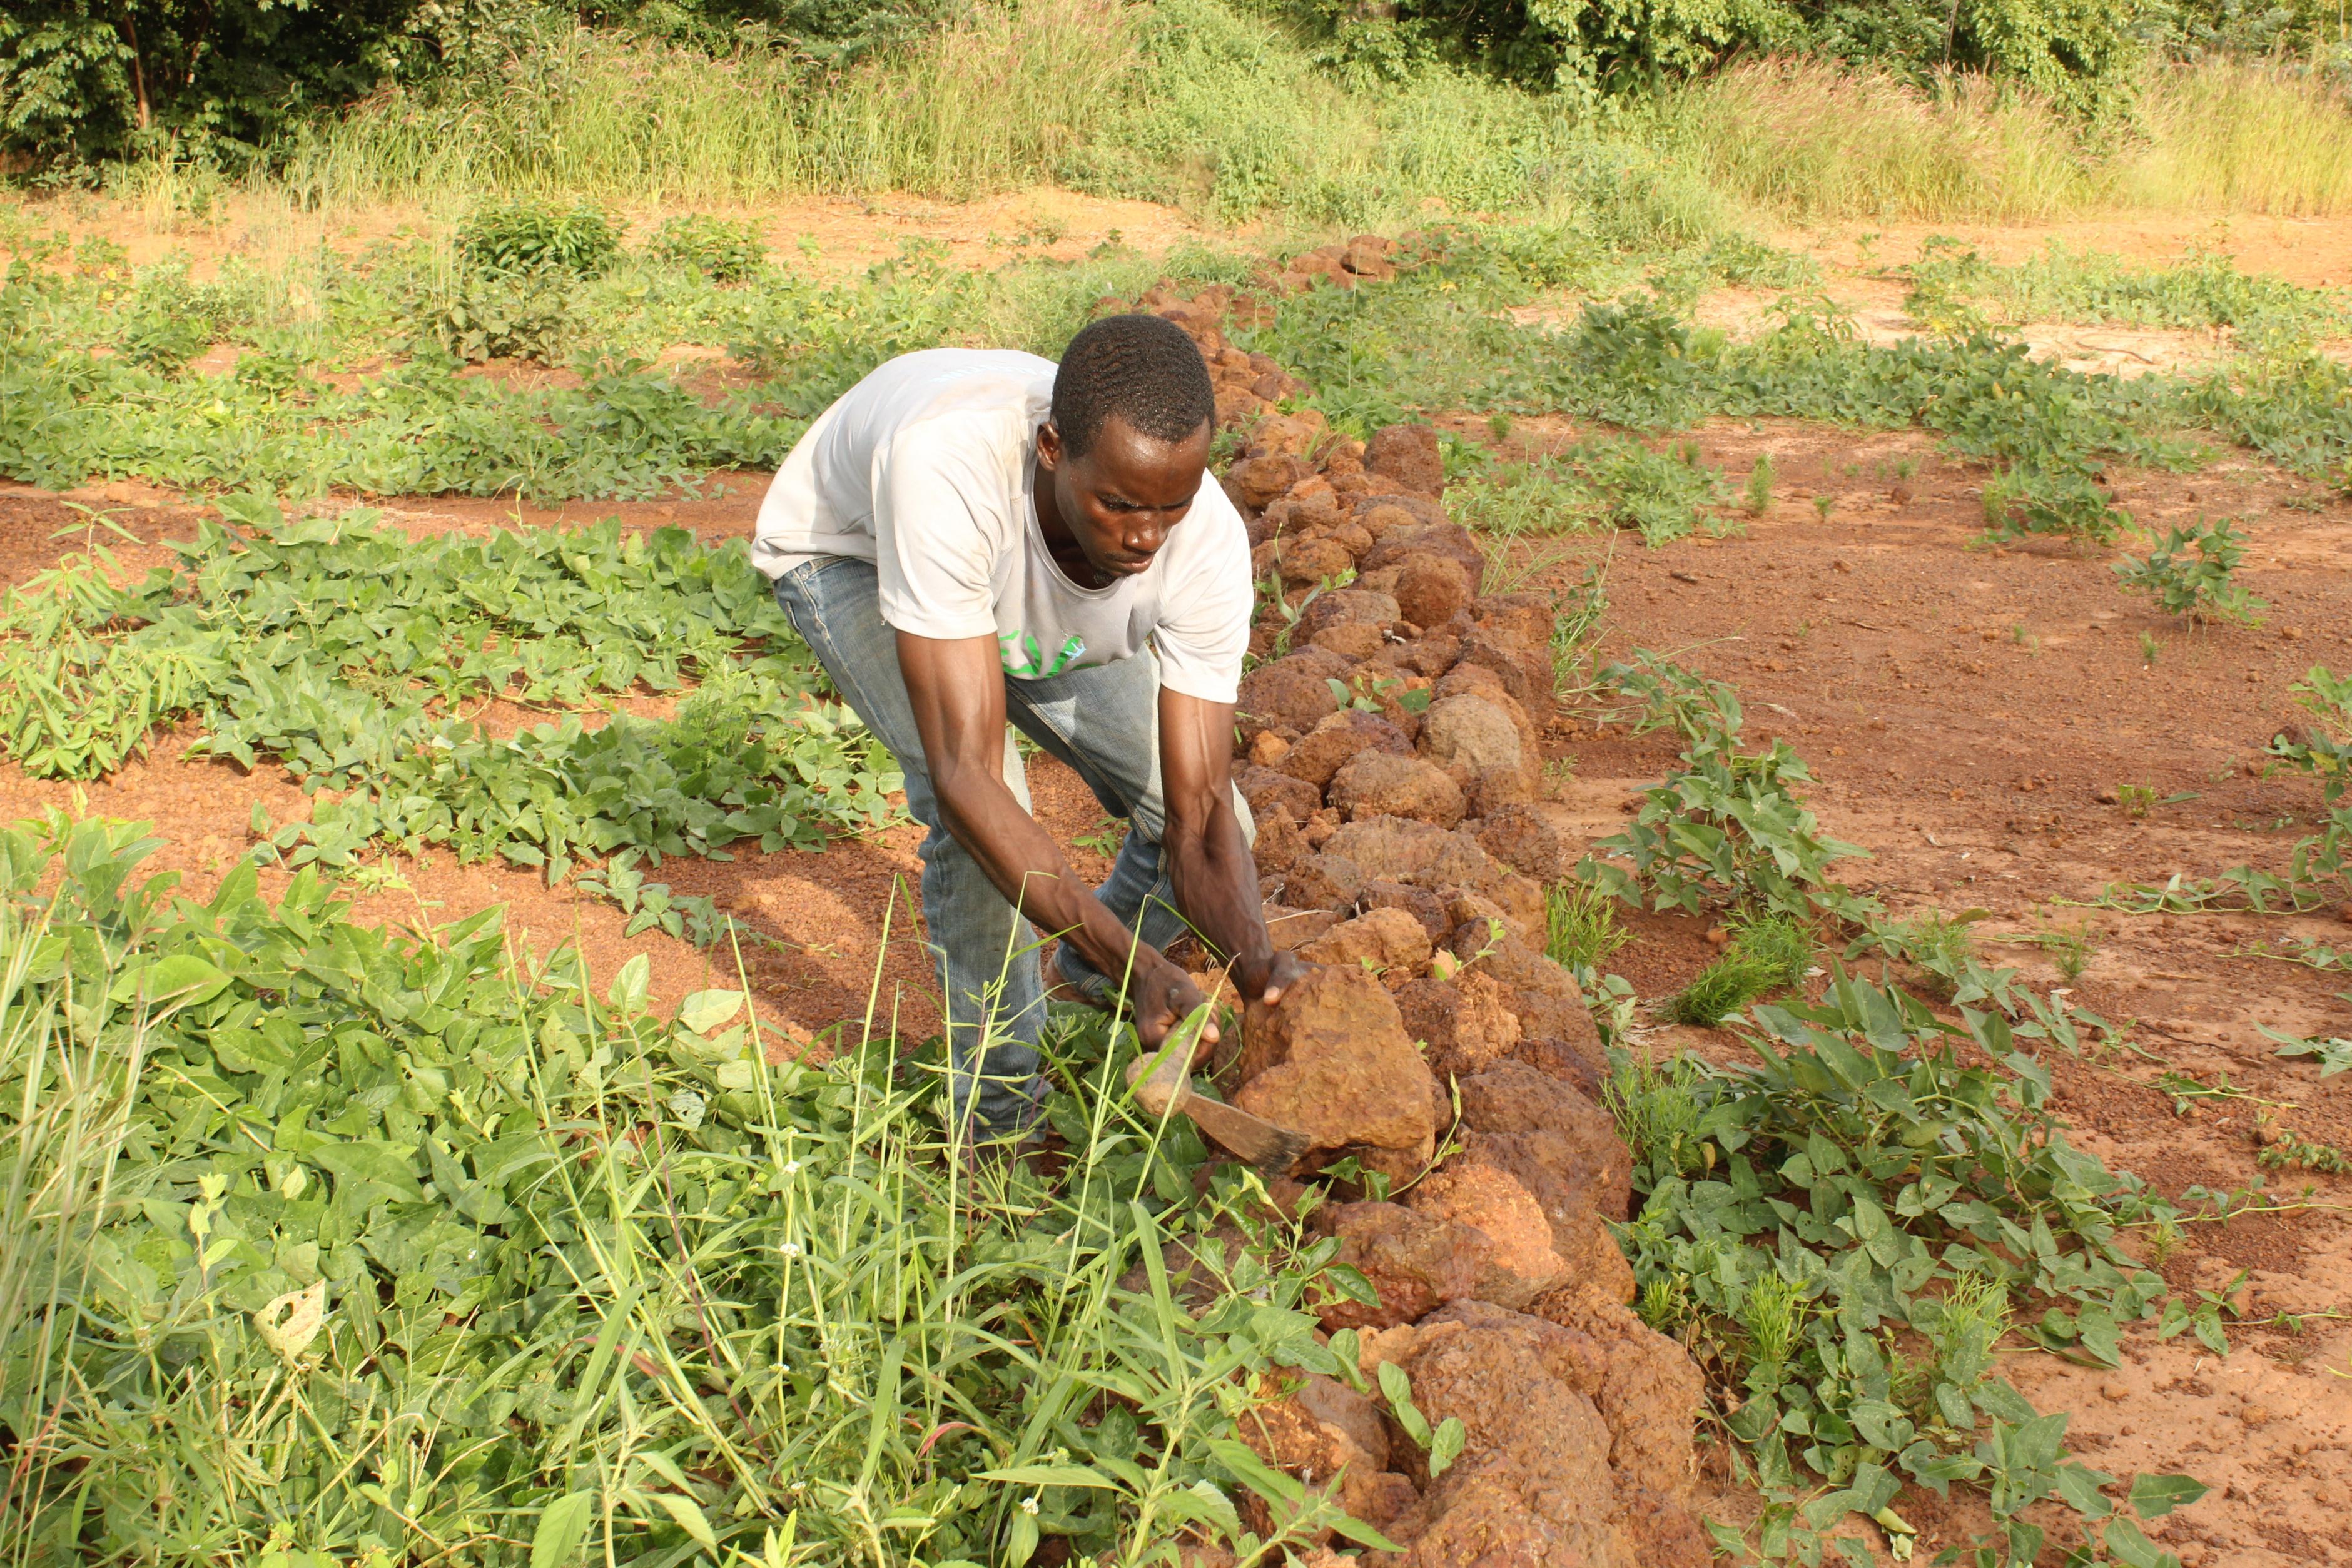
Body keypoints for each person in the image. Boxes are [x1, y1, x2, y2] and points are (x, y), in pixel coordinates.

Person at [752, 313, 1306, 1142]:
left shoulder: (1202, 547)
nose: (1146, 536)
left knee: (1226, 820)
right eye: (1118, 504)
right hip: (856, 552)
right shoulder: (947, 467)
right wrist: (1140, 962)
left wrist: (1252, 957)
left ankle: (1085, 972)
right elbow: (966, 780)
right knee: (986, 811)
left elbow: (1198, 818)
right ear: (1051, 448)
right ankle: (999, 1117)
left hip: (1012, 582)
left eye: (1171, 508)